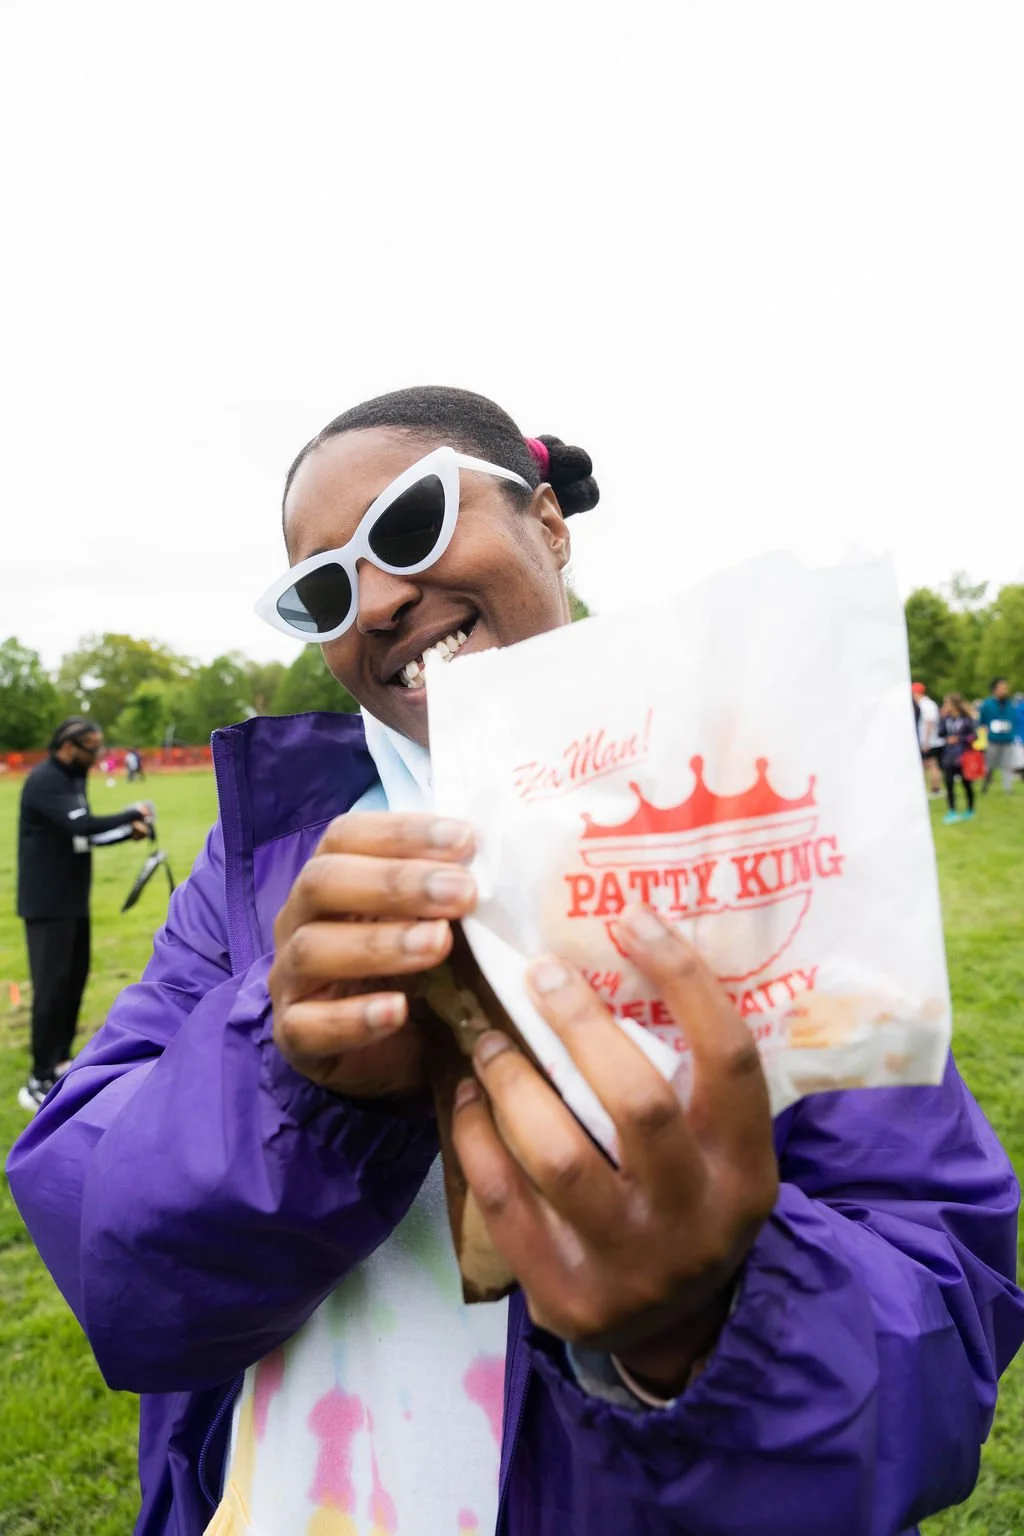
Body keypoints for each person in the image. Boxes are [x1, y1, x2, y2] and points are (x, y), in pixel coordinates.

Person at [8, 388, 1024, 1536]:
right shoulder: (260, 871)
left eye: (409, 523)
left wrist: (698, 1329)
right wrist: (291, 1075)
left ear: (547, 520)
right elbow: (118, 1275)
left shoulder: (752, 826)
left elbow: (942, 1332)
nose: (381, 599)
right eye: (326, 588)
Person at [15, 717, 153, 1112]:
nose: (97, 756)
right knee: (51, 988)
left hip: (73, 899)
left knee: (73, 981)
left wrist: (129, 833)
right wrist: (130, 813)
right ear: (69, 746)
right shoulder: (45, 780)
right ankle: (37, 1076)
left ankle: (60, 1059)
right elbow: (84, 823)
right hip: (46, 904)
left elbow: (84, 835)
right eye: (92, 748)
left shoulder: (74, 778)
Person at [937, 693, 978, 825]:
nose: (945, 706)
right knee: (949, 784)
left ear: (954, 705)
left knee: (967, 783)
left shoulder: (966, 719)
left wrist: (959, 739)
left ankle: (970, 809)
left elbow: (973, 736)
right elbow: (940, 733)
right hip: (949, 755)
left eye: (947, 703)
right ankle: (952, 810)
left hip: (963, 755)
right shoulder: (946, 719)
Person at [979, 677, 1016, 793]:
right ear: (994, 689)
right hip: (993, 739)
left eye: (1005, 688)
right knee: (990, 765)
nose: (1004, 690)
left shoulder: (1010, 704)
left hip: (1007, 738)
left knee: (1007, 765)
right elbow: (982, 721)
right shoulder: (987, 704)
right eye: (1001, 688)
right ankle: (985, 785)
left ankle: (1008, 788)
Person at [912, 681, 942, 796]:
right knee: (927, 765)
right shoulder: (924, 704)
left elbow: (929, 724)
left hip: (930, 741)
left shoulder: (926, 705)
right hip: (927, 741)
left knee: (932, 765)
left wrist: (926, 741)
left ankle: (935, 789)